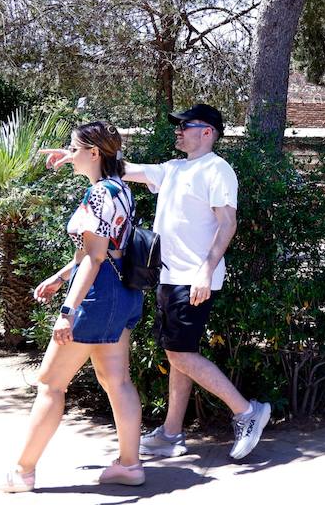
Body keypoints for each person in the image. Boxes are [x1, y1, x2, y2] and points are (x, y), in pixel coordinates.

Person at [113, 104, 270, 461]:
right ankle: (171, 434)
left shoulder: (217, 170)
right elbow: (124, 170)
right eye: (179, 126)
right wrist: (81, 156)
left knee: (179, 352)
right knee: (179, 353)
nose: (178, 131)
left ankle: (247, 411)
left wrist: (206, 269)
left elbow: (228, 224)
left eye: (185, 126)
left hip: (193, 279)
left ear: (208, 132)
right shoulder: (173, 170)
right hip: (168, 278)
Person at [0, 121, 145, 492]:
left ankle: (23, 472)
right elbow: (104, 250)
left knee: (50, 383)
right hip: (123, 291)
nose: (69, 154)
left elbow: (94, 259)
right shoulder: (121, 190)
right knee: (117, 381)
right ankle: (129, 466)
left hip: (97, 294)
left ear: (94, 153)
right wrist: (61, 276)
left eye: (74, 149)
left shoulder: (97, 195)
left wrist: (68, 311)